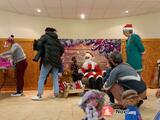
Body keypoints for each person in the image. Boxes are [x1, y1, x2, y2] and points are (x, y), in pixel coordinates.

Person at [32, 27, 64, 100]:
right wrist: (56, 56)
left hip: (48, 60)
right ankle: (56, 95)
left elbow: (38, 46)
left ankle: (39, 95)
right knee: (55, 78)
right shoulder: (57, 40)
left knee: (42, 77)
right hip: (56, 61)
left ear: (46, 31)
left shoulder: (44, 37)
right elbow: (62, 50)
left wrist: (35, 43)